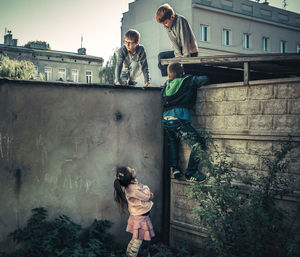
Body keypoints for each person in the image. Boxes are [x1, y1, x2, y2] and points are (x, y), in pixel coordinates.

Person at [162, 62, 209, 182]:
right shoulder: (187, 81)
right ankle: (191, 172)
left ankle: (176, 169)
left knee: (173, 142)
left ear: (168, 75)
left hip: (166, 121)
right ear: (182, 73)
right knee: (198, 143)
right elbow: (204, 79)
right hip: (179, 120)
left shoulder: (166, 85)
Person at [114, 166, 155, 257]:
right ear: (130, 177)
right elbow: (147, 196)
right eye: (131, 170)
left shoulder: (130, 186)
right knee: (138, 240)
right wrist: (145, 187)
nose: (133, 169)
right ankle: (131, 255)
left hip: (138, 216)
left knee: (135, 238)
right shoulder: (134, 189)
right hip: (141, 218)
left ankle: (128, 254)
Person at [156, 3, 198, 77]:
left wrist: (185, 56)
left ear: (172, 17)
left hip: (190, 52)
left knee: (180, 63)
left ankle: (176, 77)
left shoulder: (180, 21)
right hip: (181, 52)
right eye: (163, 24)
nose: (164, 26)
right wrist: (177, 55)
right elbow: (174, 42)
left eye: (165, 23)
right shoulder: (168, 27)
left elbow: (185, 40)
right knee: (161, 56)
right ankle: (170, 78)